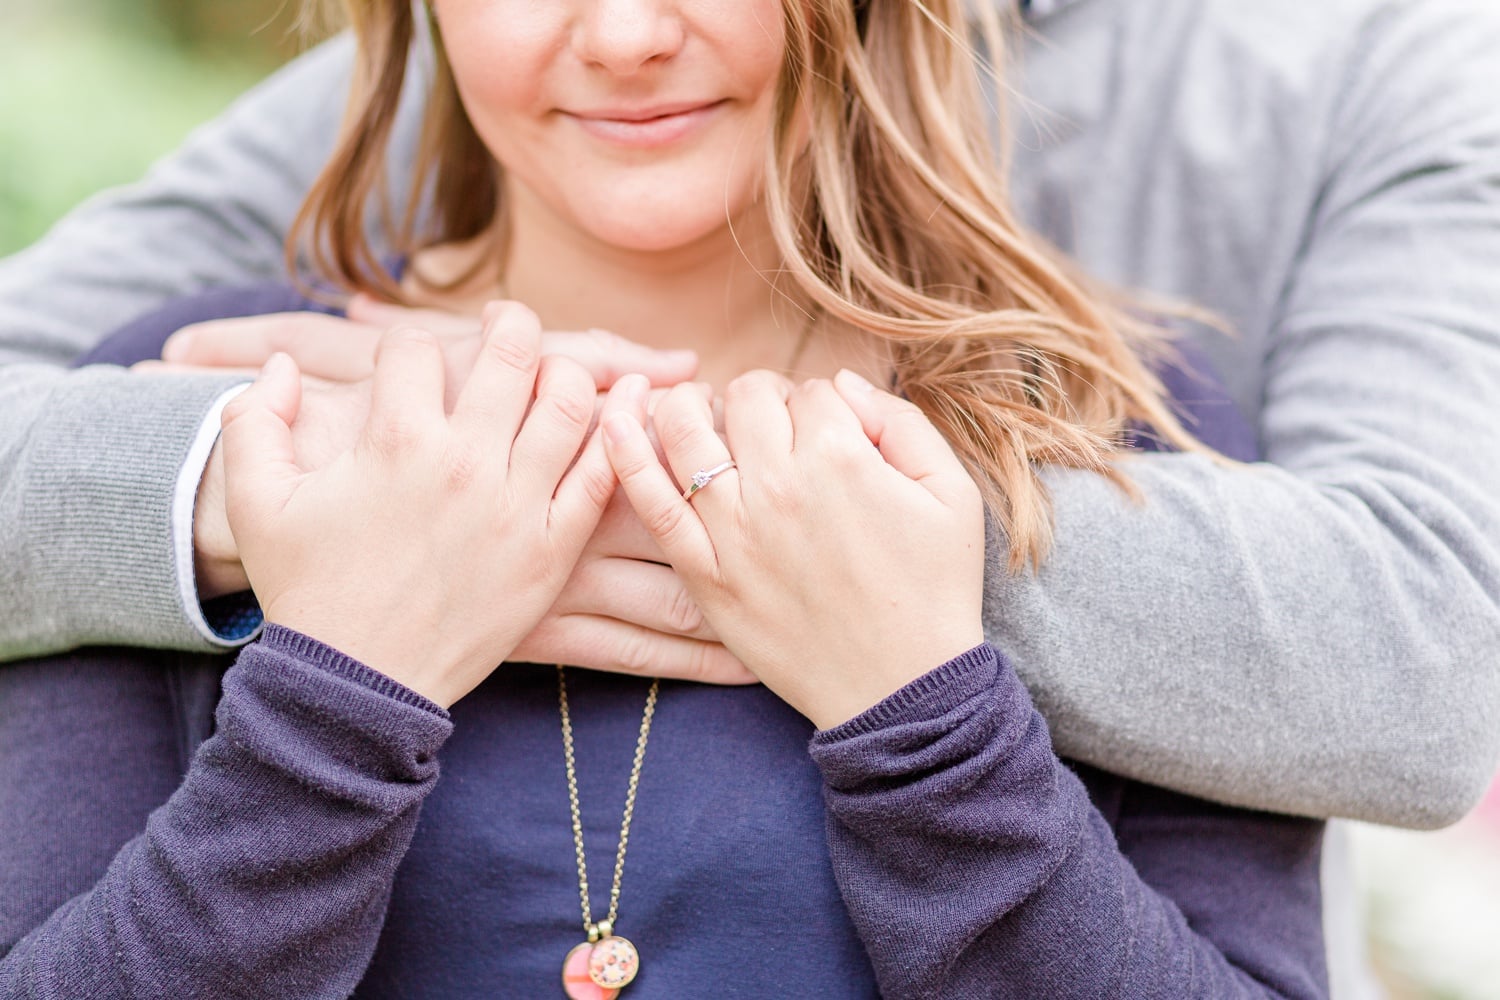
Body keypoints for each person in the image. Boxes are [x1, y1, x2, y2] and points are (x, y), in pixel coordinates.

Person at [1, 0, 1498, 991]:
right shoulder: (195, 391)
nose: (633, 33)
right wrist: (340, 682)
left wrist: (920, 701)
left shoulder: (1139, 440)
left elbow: (1435, 660)